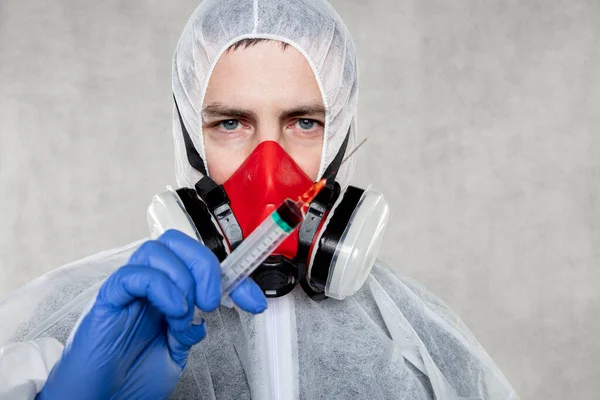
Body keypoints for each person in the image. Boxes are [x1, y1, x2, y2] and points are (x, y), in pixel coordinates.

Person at [0, 0, 519, 399]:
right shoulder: (90, 324)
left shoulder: (419, 346)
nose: (268, 168)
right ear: (189, 138)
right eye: (230, 123)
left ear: (339, 135)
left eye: (303, 122)